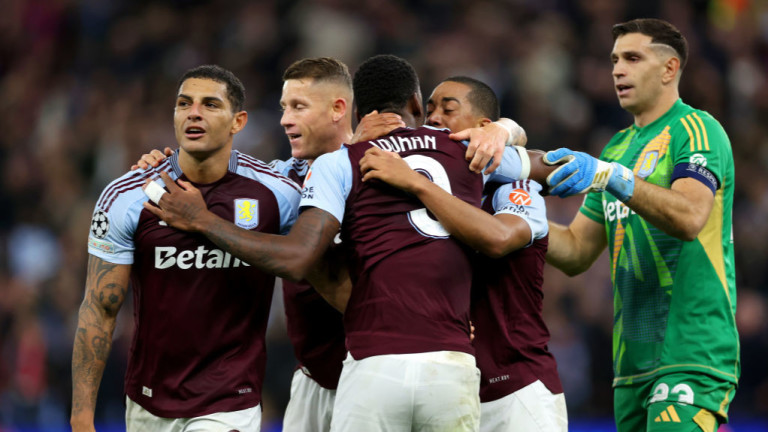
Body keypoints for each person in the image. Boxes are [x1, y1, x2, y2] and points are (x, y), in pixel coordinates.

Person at [142, 54, 540, 431]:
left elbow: (540, 162)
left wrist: (503, 129)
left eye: (298, 107)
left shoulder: (374, 161)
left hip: (376, 365)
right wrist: (161, 168)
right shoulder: (279, 180)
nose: (284, 119)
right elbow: (210, 184)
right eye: (283, 107)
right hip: (318, 379)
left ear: (338, 109)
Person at [71, 65, 301, 432]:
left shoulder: (277, 194)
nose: (194, 112)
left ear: (238, 121)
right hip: (147, 400)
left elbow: (307, 262)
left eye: (210, 104)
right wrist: (81, 415)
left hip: (230, 400)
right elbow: (100, 307)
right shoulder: (128, 195)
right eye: (184, 104)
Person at [543, 18, 739, 432]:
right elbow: (576, 250)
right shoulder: (616, 148)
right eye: (614, 60)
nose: (617, 70)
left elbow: (690, 217)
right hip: (630, 366)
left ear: (669, 69)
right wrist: (522, 221)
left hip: (691, 352)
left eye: (632, 58)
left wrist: (614, 177)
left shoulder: (696, 129)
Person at [359, 76, 567, 431]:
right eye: (429, 110)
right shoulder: (410, 189)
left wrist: (507, 129)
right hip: (447, 387)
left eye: (448, 109)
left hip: (515, 388)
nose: (433, 118)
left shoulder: (514, 187)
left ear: (484, 129)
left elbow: (500, 238)